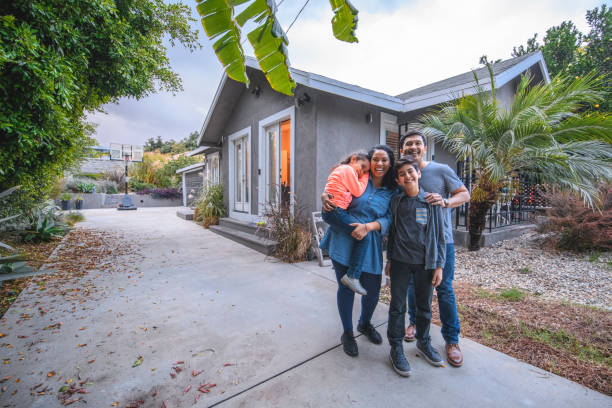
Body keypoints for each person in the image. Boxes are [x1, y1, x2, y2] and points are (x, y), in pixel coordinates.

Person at [399, 130, 470, 368]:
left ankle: (452, 340)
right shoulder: (402, 174)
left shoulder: (441, 170)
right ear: (402, 150)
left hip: (442, 241)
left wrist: (446, 202)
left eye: (417, 143)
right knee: (413, 285)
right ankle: (415, 323)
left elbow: (464, 194)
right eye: (408, 144)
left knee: (444, 289)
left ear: (424, 148)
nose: (413, 147)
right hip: (414, 244)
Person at [319, 145, 397, 357]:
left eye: (385, 160)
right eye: (376, 159)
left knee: (372, 289)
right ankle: (347, 333)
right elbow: (335, 187)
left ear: (390, 164)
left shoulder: (392, 191)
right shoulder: (358, 177)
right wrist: (325, 196)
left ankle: (365, 323)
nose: (379, 164)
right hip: (343, 239)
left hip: (369, 242)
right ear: (369, 161)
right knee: (345, 288)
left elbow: (390, 218)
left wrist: (369, 227)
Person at [386, 155, 446, 376]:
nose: (407, 176)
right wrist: (390, 260)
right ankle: (395, 348)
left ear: (418, 173)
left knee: (424, 307)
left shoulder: (431, 202)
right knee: (398, 306)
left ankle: (423, 341)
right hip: (401, 262)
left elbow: (439, 236)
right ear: (399, 180)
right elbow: (392, 234)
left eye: (411, 172)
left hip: (425, 264)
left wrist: (439, 265)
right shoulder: (397, 202)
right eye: (402, 174)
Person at [322, 151, 370, 295]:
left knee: (358, 235)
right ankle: (352, 276)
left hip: (333, 211)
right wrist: (366, 176)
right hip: (336, 211)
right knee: (364, 237)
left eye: (365, 171)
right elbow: (358, 191)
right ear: (353, 159)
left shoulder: (341, 169)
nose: (361, 173)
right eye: (362, 168)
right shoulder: (348, 170)